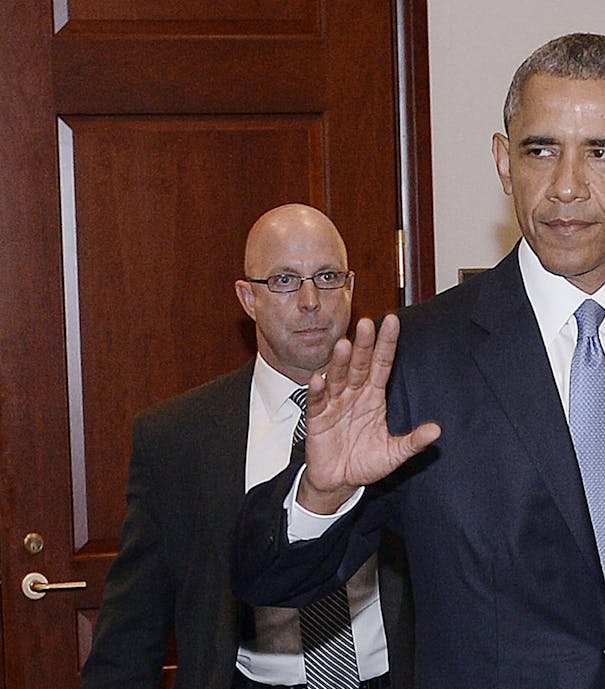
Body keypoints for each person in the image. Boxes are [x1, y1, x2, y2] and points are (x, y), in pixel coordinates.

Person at [232, 33, 605, 688]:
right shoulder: (417, 353)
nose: (566, 187)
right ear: (504, 163)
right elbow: (269, 576)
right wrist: (321, 492)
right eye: (540, 150)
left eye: (602, 152)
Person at [81, 203, 411, 689]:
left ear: (350, 287)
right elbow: (133, 628)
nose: (310, 300)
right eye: (283, 280)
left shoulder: (407, 414)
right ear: (247, 298)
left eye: (326, 276)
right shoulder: (177, 438)